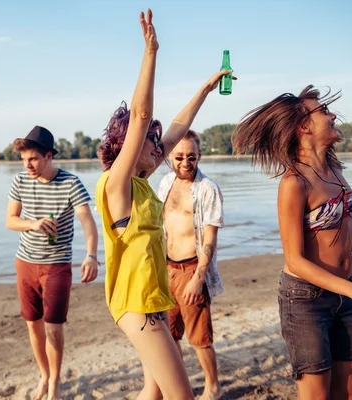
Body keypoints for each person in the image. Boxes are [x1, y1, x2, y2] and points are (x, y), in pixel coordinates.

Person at [231, 86, 352, 400]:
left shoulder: (335, 170)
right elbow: (295, 260)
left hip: (345, 292)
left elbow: (337, 233)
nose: (332, 115)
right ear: (304, 126)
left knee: (347, 392)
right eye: (323, 111)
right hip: (306, 298)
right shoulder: (295, 183)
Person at [95, 9, 233, 399]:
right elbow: (142, 116)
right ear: (129, 147)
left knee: (152, 393)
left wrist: (205, 90)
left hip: (152, 300)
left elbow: (171, 128)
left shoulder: (141, 184)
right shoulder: (116, 185)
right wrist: (151, 52)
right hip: (136, 307)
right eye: (152, 144)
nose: (162, 150)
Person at [5, 125, 99, 400]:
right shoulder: (20, 182)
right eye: (24, 160)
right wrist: (33, 224)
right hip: (25, 263)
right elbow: (10, 220)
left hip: (57, 265)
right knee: (33, 324)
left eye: (33, 158)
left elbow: (88, 224)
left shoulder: (70, 183)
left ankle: (56, 382)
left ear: (48, 156)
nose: (28, 165)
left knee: (53, 327)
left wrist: (91, 256)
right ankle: (44, 375)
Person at [157, 129, 225, 400]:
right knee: (169, 335)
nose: (186, 163)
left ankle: (212, 387)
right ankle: (178, 385)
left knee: (199, 337)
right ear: (170, 157)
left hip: (192, 268)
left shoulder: (208, 189)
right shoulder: (165, 183)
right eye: (180, 157)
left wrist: (199, 277)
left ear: (199, 156)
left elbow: (210, 237)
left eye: (192, 157)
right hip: (166, 269)